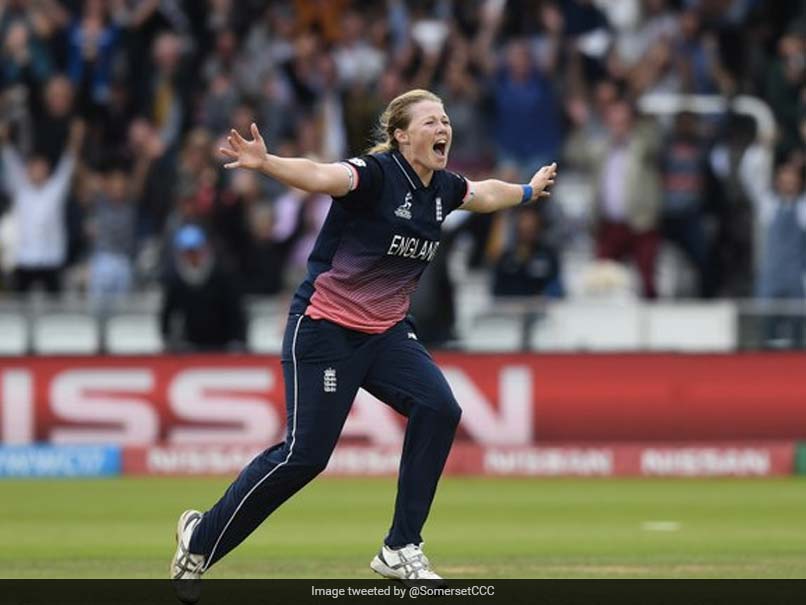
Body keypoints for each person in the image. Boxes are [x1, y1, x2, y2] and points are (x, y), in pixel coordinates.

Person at [169, 89, 557, 600]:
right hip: (325, 329)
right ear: (401, 136)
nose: (443, 127)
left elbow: (484, 194)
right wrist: (266, 164)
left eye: (445, 119)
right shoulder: (374, 175)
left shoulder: (443, 188)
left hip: (387, 332)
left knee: (439, 407)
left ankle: (401, 546)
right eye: (430, 121)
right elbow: (321, 175)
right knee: (304, 457)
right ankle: (200, 540)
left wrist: (527, 191)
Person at [160, 224, 246, 353]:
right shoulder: (176, 280)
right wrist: (168, 339)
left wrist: (238, 340)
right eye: (187, 252)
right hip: (190, 345)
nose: (192, 256)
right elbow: (168, 313)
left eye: (195, 251)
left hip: (223, 345)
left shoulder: (222, 273)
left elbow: (235, 309)